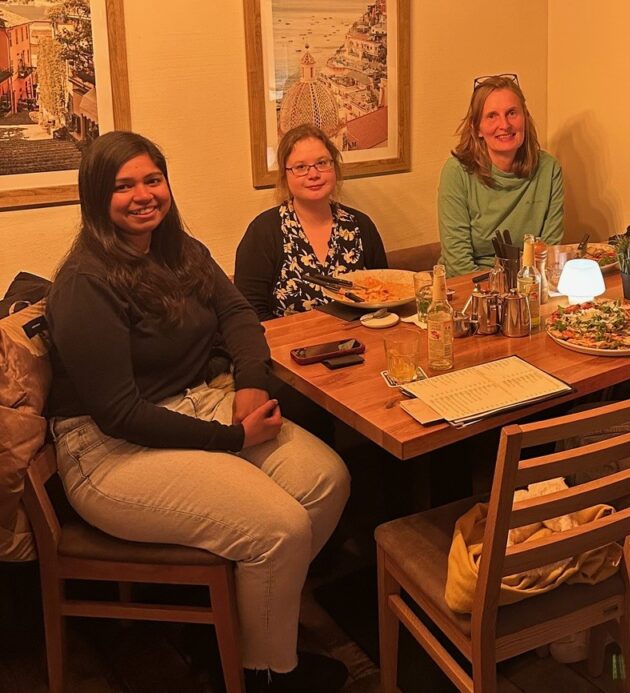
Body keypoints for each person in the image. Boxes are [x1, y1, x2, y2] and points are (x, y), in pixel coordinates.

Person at [46, 131, 351, 691]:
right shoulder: (85, 282)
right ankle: (264, 674)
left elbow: (238, 315)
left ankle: (233, 634)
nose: (144, 195)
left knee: (326, 480)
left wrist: (251, 384)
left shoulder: (178, 249)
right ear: (96, 196)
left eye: (153, 179)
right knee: (279, 527)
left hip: (198, 402)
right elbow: (119, 413)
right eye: (123, 186)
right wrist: (233, 440)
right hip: (107, 449)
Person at [235, 123, 387, 320]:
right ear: (285, 176)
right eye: (300, 167)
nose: (314, 174)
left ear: (334, 167)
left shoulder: (360, 225)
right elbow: (249, 313)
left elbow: (383, 296)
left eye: (322, 163)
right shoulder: (263, 232)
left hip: (360, 336)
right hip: (289, 339)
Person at [438, 74, 564, 276]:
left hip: (530, 282)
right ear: (477, 128)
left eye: (512, 113)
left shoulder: (549, 169)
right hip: (472, 283)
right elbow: (458, 263)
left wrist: (524, 287)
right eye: (492, 116)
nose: (504, 125)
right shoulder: (457, 172)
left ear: (525, 118)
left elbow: (548, 250)